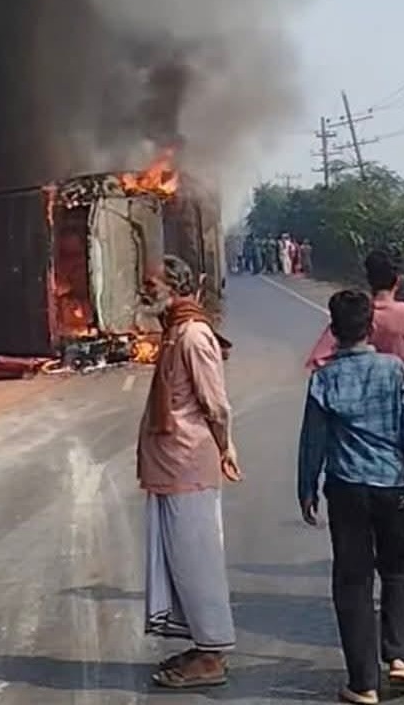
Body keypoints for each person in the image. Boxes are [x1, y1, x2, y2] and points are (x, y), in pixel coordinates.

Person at [298, 290, 404, 705]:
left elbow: (312, 443)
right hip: (390, 485)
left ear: (333, 331)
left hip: (345, 489)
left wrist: (306, 489)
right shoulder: (393, 371)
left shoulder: (323, 379)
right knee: (396, 569)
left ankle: (363, 683)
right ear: (370, 328)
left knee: (353, 581)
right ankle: (398, 658)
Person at [138, 255, 242, 689]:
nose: (144, 292)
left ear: (173, 288)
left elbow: (215, 404)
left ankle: (213, 653)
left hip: (187, 462)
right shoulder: (175, 332)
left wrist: (226, 445)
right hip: (171, 464)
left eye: (151, 284)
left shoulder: (193, 335)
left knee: (197, 559)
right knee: (181, 558)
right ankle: (202, 642)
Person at [306, 249, 404, 438]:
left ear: (368, 278)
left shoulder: (355, 314)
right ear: (399, 280)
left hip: (356, 418)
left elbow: (318, 362)